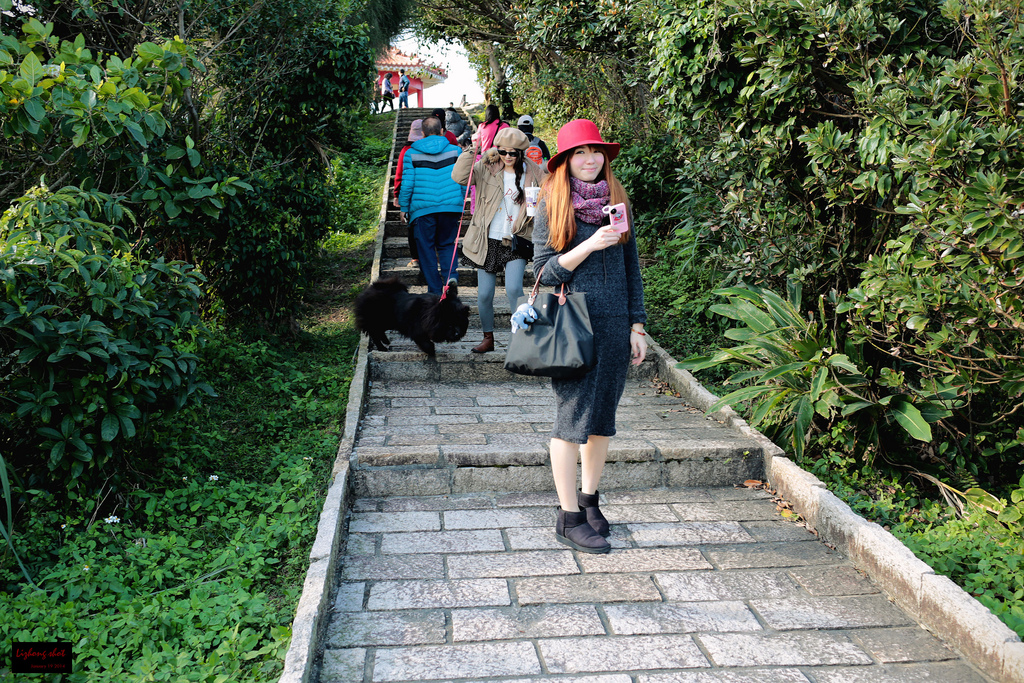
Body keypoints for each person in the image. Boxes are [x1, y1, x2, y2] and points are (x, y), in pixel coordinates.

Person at [523, 119, 647, 554]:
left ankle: (590, 500)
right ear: (565, 161)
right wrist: (589, 246)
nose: (590, 159)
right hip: (571, 325)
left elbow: (633, 272)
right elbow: (541, 272)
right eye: (580, 152)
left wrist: (637, 325)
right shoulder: (551, 208)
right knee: (571, 420)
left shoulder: (618, 204)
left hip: (615, 324)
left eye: (596, 151)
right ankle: (568, 515)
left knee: (602, 421)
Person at [452, 128, 545, 353]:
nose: (508, 156)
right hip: (487, 238)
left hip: (517, 238)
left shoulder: (533, 170)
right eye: (503, 152)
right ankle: (488, 337)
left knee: (514, 289)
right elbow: (459, 177)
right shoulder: (487, 167)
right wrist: (472, 149)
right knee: (484, 294)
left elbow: (549, 194)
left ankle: (519, 339)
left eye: (513, 153)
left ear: (521, 152)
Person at [399, 117, 465, 295]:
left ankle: (435, 291)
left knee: (426, 249)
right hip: (450, 208)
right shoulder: (456, 151)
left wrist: (404, 207)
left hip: (423, 210)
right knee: (446, 244)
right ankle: (450, 275)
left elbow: (407, 184)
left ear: (422, 133)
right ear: (442, 131)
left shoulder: (410, 153)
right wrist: (460, 201)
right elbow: (463, 180)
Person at [393, 119, 424, 269]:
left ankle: (415, 259)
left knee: (412, 226)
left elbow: (399, 174)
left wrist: (397, 195)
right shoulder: (429, 149)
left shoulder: (406, 150)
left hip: (411, 196)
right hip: (426, 193)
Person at [469, 105, 510, 213]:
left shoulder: (482, 126)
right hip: (500, 159)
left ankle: (476, 209)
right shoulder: (504, 126)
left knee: (480, 184)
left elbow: (477, 142)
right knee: (498, 184)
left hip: (484, 159)